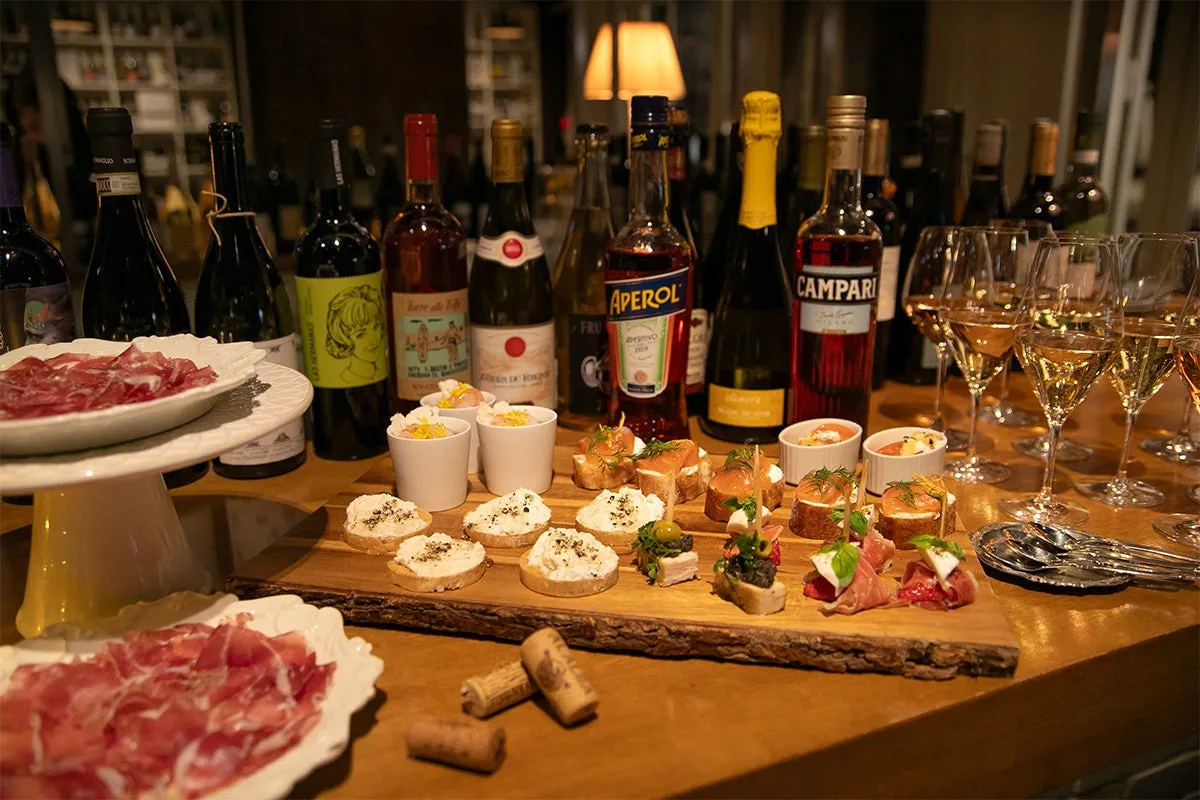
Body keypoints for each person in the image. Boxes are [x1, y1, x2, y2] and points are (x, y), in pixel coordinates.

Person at [324, 285, 387, 385]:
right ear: (344, 338)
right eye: (361, 334)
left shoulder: (380, 374)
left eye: (376, 327)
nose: (373, 340)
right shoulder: (345, 379)